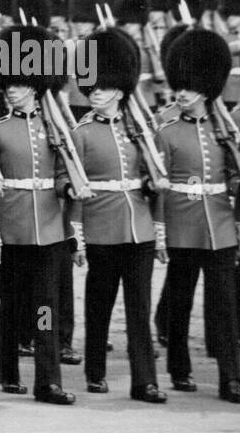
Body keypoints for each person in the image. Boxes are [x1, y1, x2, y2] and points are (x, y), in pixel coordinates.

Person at [66, 28, 167, 404]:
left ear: (120, 90)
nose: (95, 94)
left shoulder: (142, 130)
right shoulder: (82, 133)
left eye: (103, 88)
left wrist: (158, 229)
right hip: (101, 229)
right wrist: (76, 236)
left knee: (138, 310)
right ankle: (95, 371)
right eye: (91, 88)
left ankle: (145, 381)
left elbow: (156, 185)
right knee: (100, 304)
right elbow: (76, 187)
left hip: (138, 229)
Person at [155, 30, 240, 403]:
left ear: (207, 88)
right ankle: (179, 367)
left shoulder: (226, 127)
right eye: (181, 86)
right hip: (183, 225)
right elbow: (160, 184)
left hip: (220, 226)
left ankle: (231, 378)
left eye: (190, 87)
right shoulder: (167, 128)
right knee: (180, 300)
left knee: (223, 306)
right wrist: (161, 232)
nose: (182, 93)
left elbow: (237, 180)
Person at [0, 25, 76, 405]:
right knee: (10, 305)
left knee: (45, 308)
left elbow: (60, 174)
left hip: (50, 229)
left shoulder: (55, 128)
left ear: (37, 86)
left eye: (20, 83)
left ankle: (47, 379)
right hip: (13, 227)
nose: (11, 89)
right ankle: (9, 371)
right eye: (9, 83)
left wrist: (68, 188)